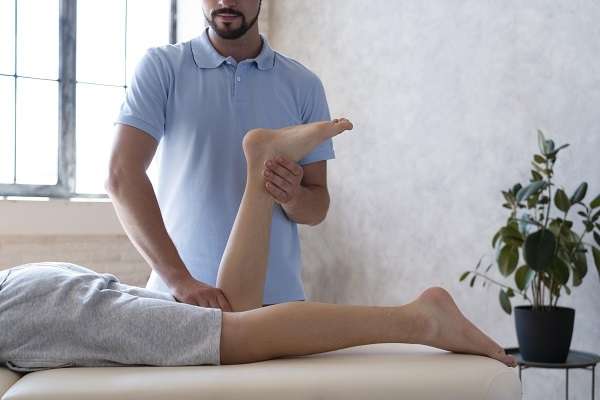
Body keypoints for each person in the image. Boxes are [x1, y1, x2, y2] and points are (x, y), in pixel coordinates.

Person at [0, 118, 517, 371]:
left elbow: (318, 206)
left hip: (25, 311)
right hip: (29, 293)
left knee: (237, 336)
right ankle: (260, 162)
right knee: (233, 316)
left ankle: (420, 319)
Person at [108, 0, 334, 310]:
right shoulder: (162, 67)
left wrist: (293, 195)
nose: (226, 2)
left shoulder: (304, 85)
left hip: (274, 304)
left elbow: (317, 206)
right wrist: (181, 281)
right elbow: (121, 176)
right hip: (179, 300)